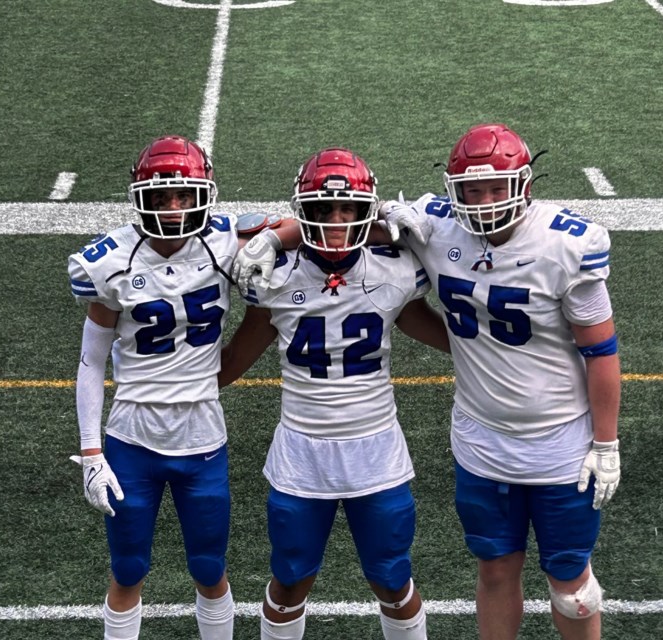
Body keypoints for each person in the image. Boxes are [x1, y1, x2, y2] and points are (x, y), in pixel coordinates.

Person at [234, 124, 622, 640]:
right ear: (452, 190)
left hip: (559, 439)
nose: (483, 203)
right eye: (472, 191)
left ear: (525, 185)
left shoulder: (569, 244)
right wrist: (274, 234)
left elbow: (602, 350)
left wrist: (606, 441)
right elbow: (342, 225)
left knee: (573, 592)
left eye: (496, 189)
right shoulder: (438, 225)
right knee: (495, 569)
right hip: (480, 438)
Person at [66, 134, 298, 640]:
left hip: (202, 438)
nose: (173, 208)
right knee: (127, 569)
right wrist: (90, 452)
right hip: (131, 439)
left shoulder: (222, 239)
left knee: (209, 568)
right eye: (161, 196)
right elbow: (91, 361)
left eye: (183, 195)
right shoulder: (109, 260)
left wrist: (274, 240)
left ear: (204, 194)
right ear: (139, 198)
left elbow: (305, 223)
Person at [219, 147, 449, 640]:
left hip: (376, 450)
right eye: (324, 210)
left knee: (392, 577)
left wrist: (500, 349)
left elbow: (447, 329)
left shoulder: (396, 268)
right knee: (289, 579)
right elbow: (233, 359)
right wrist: (176, 385)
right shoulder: (274, 276)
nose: (337, 221)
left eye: (349, 210)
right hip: (302, 451)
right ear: (306, 212)